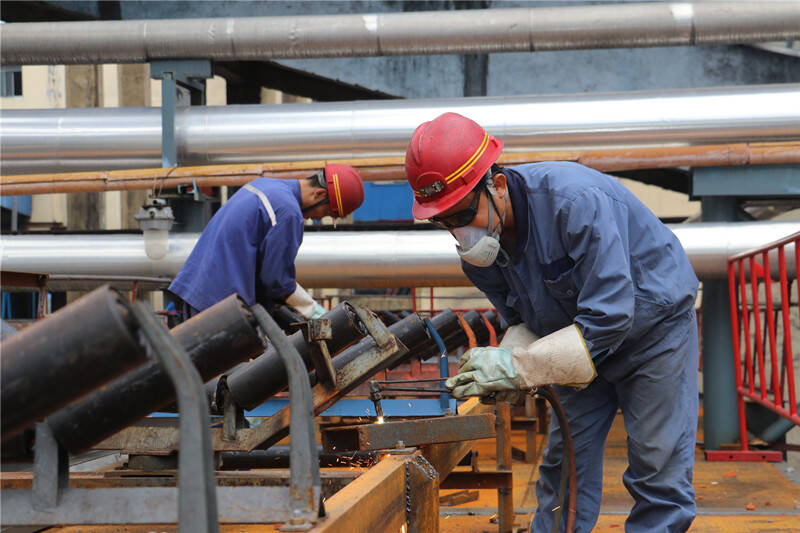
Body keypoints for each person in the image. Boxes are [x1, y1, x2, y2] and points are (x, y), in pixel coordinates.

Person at [405, 112, 699, 533]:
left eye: (464, 212)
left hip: (652, 334)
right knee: (563, 465)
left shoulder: (574, 202)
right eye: (444, 220)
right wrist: (506, 364)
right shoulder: (482, 255)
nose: (459, 231)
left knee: (656, 464)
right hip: (574, 341)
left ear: (498, 185)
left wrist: (521, 367)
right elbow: (522, 321)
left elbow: (611, 315)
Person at [169, 164, 364, 319]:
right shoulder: (288, 211)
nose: (319, 218)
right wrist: (314, 312)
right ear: (319, 194)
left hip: (197, 290)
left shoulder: (265, 185)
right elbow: (276, 281)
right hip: (220, 306)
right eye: (327, 212)